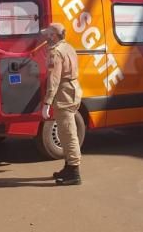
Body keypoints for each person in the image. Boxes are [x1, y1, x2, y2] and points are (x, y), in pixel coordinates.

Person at [41, 23, 83, 186]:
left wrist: (47, 102)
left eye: (47, 35)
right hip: (72, 90)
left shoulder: (56, 52)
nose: (45, 38)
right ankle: (68, 167)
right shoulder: (68, 47)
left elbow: (54, 79)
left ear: (53, 36)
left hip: (64, 93)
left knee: (68, 134)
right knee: (67, 132)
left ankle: (74, 173)